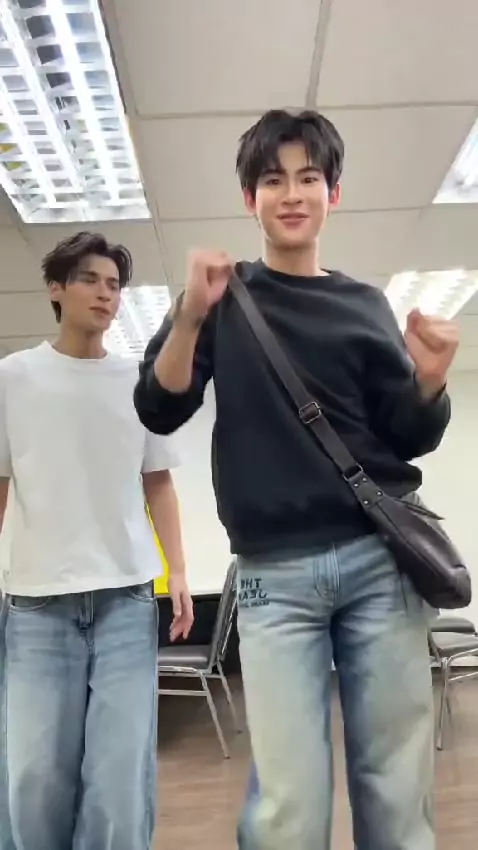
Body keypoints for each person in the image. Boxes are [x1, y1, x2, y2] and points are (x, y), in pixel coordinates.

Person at [133, 110, 459, 850]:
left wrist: (431, 381)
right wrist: (189, 317)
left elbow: (407, 434)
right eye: (272, 180)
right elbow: (159, 405)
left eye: (308, 178)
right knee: (289, 802)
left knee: (395, 784)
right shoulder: (221, 299)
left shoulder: (363, 304)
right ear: (249, 197)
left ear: (332, 194)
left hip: (379, 563)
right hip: (272, 578)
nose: (291, 194)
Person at [0, 231, 194, 850]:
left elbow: (158, 482)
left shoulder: (140, 380)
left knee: (117, 784)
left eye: (114, 285)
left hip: (125, 602)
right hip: (36, 607)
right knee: (32, 779)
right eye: (90, 279)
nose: (105, 294)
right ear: (56, 288)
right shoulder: (13, 378)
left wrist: (178, 572)